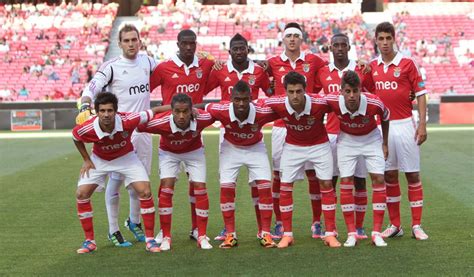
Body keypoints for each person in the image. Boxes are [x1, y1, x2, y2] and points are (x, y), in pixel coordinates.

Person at [76, 24, 157, 247]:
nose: (131, 44)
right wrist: (85, 106)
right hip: (117, 129)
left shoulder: (148, 61)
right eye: (127, 40)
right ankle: (113, 229)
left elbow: (169, 72)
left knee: (138, 183)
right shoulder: (111, 66)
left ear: (140, 41)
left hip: (141, 130)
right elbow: (92, 87)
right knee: (116, 178)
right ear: (119, 43)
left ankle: (134, 221)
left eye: (134, 39)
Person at [72, 92, 163, 254]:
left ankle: (150, 240)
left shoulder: (128, 119)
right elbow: (75, 136)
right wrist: (86, 159)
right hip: (100, 160)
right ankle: (90, 241)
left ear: (116, 111)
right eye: (102, 111)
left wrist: (188, 108)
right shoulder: (88, 127)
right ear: (97, 111)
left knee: (145, 191)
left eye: (109, 110)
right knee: (81, 194)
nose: (106, 114)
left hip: (127, 158)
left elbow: (154, 111)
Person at [204, 33, 272, 241]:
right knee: (227, 183)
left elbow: (271, 93)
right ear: (230, 51)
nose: (239, 52)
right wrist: (208, 66)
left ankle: (263, 229)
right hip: (228, 131)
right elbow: (202, 90)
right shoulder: (221, 70)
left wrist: (271, 72)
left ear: (247, 49)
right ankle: (228, 230)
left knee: (257, 185)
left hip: (253, 131)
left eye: (242, 48)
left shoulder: (258, 71)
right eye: (235, 49)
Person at [150, 29, 214, 242]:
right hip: (169, 130)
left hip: (194, 131)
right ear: (177, 44)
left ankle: (196, 228)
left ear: (196, 44)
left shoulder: (205, 65)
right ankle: (163, 230)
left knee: (195, 182)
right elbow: (144, 90)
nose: (188, 47)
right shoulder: (163, 68)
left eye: (192, 43)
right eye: (184, 43)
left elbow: (224, 75)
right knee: (166, 183)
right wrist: (161, 112)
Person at [263, 71, 339, 248]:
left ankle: (329, 233)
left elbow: (342, 101)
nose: (295, 96)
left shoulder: (321, 102)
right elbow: (255, 107)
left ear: (305, 90)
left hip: (320, 146)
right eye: (291, 92)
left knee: (327, 185)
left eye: (299, 91)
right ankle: (287, 235)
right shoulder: (277, 103)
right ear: (286, 91)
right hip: (293, 147)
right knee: (285, 186)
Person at [266, 22, 327, 239]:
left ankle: (317, 222)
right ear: (283, 39)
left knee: (313, 174)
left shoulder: (314, 61)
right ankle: (280, 223)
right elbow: (260, 83)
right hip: (282, 127)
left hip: (309, 125)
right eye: (288, 35)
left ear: (302, 40)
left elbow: (331, 76)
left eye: (296, 36)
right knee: (279, 176)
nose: (292, 39)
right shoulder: (272, 63)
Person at [370, 22, 429, 240]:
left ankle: (417, 225)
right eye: (381, 39)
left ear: (394, 39)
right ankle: (395, 225)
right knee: (389, 175)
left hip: (405, 125)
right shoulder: (371, 67)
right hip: (382, 129)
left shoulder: (407, 63)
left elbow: (420, 93)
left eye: (388, 38)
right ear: (376, 40)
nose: (385, 43)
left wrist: (422, 123)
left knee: (412, 174)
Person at [314, 33, 376, 239]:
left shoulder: (362, 70)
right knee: (329, 181)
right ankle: (328, 226)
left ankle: (358, 227)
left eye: (343, 45)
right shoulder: (322, 72)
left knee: (359, 180)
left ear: (349, 47)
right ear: (330, 48)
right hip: (331, 134)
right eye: (336, 45)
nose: (339, 48)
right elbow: (314, 99)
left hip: (356, 134)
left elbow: (372, 96)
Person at [205, 81, 279, 248]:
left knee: (265, 187)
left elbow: (283, 110)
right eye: (237, 99)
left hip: (256, 148)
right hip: (231, 149)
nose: (241, 103)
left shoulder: (261, 112)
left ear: (251, 99)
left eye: (245, 100)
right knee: (226, 188)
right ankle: (230, 234)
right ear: (231, 99)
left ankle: (265, 233)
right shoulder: (221, 109)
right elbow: (202, 107)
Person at [137, 94, 215, 251]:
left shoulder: (202, 119)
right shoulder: (161, 122)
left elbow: (218, 111)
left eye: (185, 111)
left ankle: (201, 236)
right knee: (166, 186)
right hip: (169, 153)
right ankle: (166, 236)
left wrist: (198, 108)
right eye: (177, 111)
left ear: (191, 110)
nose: (181, 116)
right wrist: (159, 109)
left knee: (200, 187)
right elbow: (139, 126)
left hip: (194, 152)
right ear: (171, 111)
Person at [325, 70, 389, 247]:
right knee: (346, 180)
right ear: (341, 91)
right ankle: (351, 233)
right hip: (347, 139)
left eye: (355, 91)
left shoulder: (374, 102)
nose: (352, 96)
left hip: (371, 138)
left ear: (361, 90)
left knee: (378, 178)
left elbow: (385, 116)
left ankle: (376, 233)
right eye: (348, 91)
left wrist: (384, 143)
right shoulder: (332, 100)